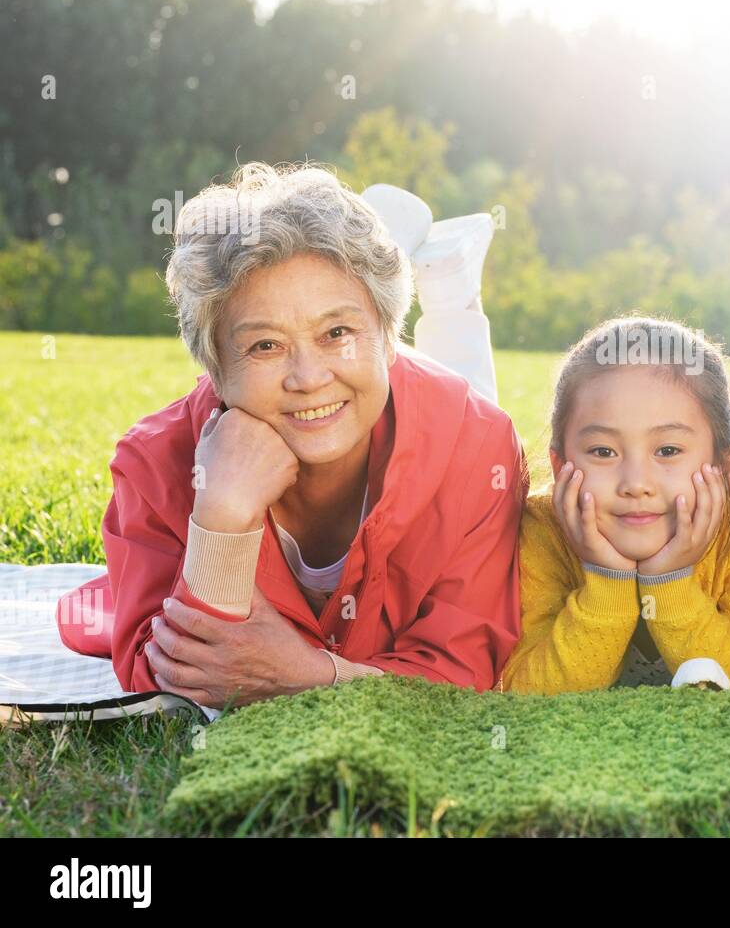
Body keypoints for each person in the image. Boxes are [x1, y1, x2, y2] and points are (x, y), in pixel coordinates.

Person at [57, 162, 527, 711]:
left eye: (336, 332)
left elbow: (465, 673)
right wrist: (222, 516)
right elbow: (166, 679)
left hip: (427, 400)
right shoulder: (154, 460)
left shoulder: (481, 448)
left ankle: (447, 297)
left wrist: (308, 674)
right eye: (265, 346)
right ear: (214, 369)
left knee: (461, 382)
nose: (307, 378)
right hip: (372, 385)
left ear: (388, 339)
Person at [500, 316, 730, 693]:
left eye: (668, 450)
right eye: (603, 451)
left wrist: (669, 582)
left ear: (724, 465)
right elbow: (527, 689)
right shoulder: (544, 525)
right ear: (560, 466)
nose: (636, 484)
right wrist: (608, 580)